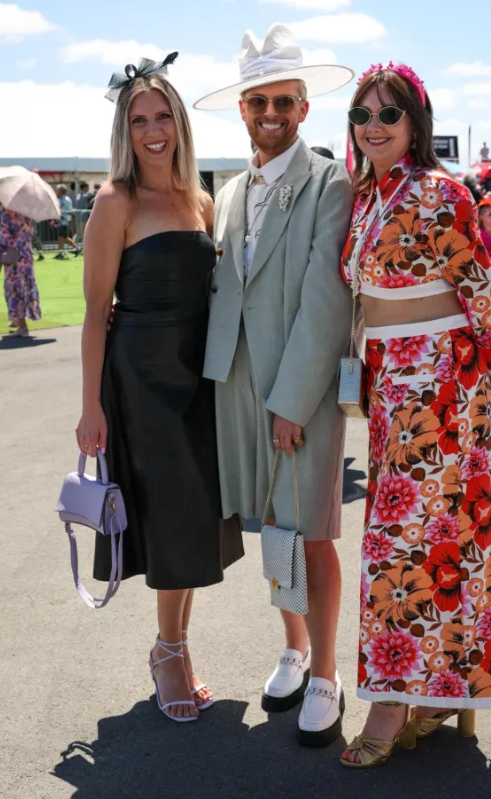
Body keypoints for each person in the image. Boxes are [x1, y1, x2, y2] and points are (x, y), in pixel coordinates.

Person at [340, 62, 491, 769]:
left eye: (388, 114)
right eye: (363, 115)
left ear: (416, 124)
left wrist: (476, 387)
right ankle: (438, 686)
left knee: (406, 545)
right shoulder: (367, 195)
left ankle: (393, 698)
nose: (373, 126)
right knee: (424, 544)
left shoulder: (442, 193)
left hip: (439, 389)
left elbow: (484, 291)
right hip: (391, 388)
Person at [194, 24, 354, 746]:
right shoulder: (227, 193)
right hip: (235, 386)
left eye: (282, 101)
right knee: (274, 531)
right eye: (257, 101)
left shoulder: (329, 183)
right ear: (243, 109)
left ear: (303, 107)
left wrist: (291, 400)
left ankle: (326, 670)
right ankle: (292, 645)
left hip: (300, 392)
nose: (269, 113)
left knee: (313, 533)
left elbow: (327, 297)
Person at [76, 52, 243, 722]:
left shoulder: (200, 199)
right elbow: (93, 315)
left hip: (199, 382)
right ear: (126, 129)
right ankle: (170, 651)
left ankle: (171, 645)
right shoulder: (114, 202)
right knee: (171, 518)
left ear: (178, 121)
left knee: (194, 520)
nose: (153, 129)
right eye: (140, 118)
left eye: (163, 115)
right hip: (142, 385)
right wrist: (89, 405)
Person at [0, 202, 41, 337]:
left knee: (14, 290)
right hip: (26, 255)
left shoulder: (6, 214)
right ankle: (18, 321)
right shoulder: (27, 213)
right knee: (25, 288)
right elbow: (30, 233)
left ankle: (21, 326)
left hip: (13, 256)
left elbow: (4, 237)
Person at [54, 185, 81, 259]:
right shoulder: (59, 199)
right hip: (60, 220)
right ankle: (62, 252)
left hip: (64, 221)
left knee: (63, 237)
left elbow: (70, 211)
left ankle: (75, 248)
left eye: (58, 190)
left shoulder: (66, 199)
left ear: (61, 191)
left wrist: (69, 222)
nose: (57, 192)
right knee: (62, 237)